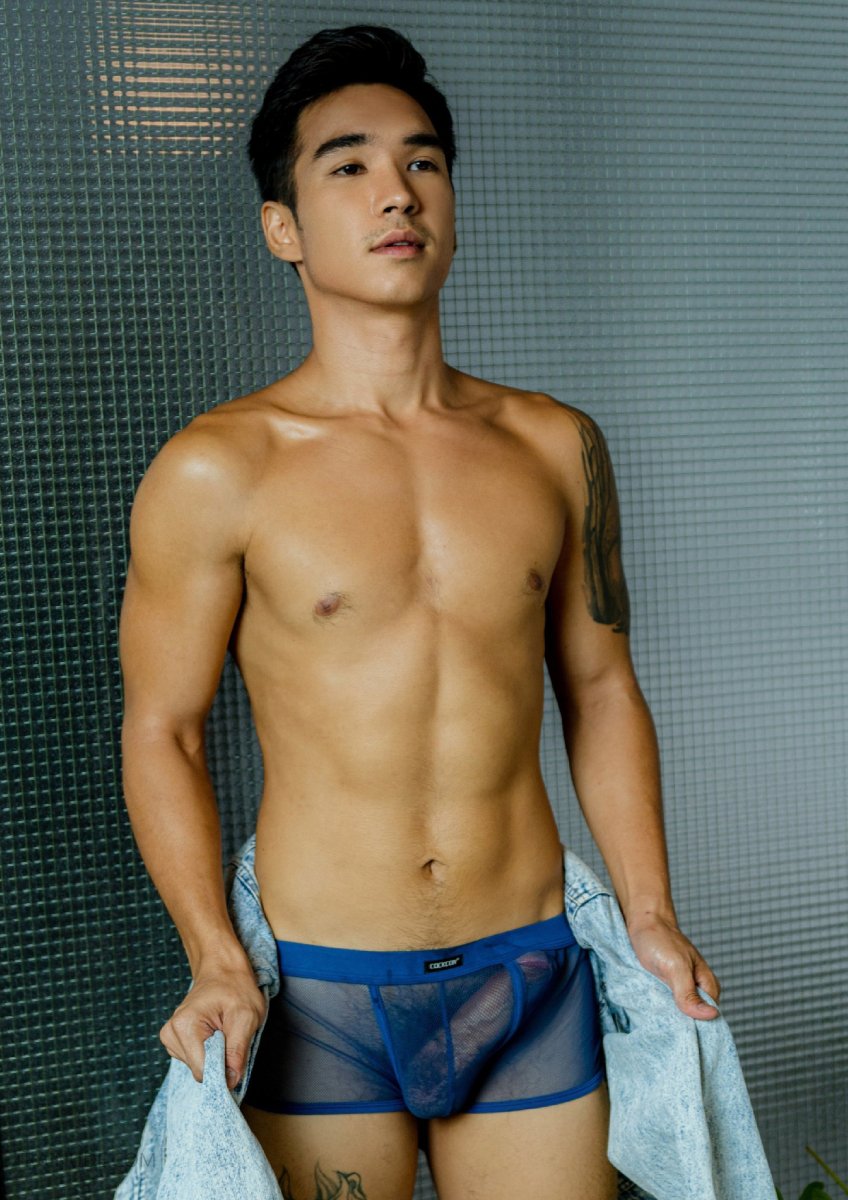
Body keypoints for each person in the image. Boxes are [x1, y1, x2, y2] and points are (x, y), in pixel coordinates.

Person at [118, 24, 721, 1200]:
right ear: (282, 228)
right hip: (322, 996)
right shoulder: (218, 467)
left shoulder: (552, 445)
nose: (395, 191)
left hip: (529, 974)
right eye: (347, 165)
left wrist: (649, 916)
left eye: (423, 162)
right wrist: (213, 956)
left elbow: (601, 689)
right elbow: (163, 730)